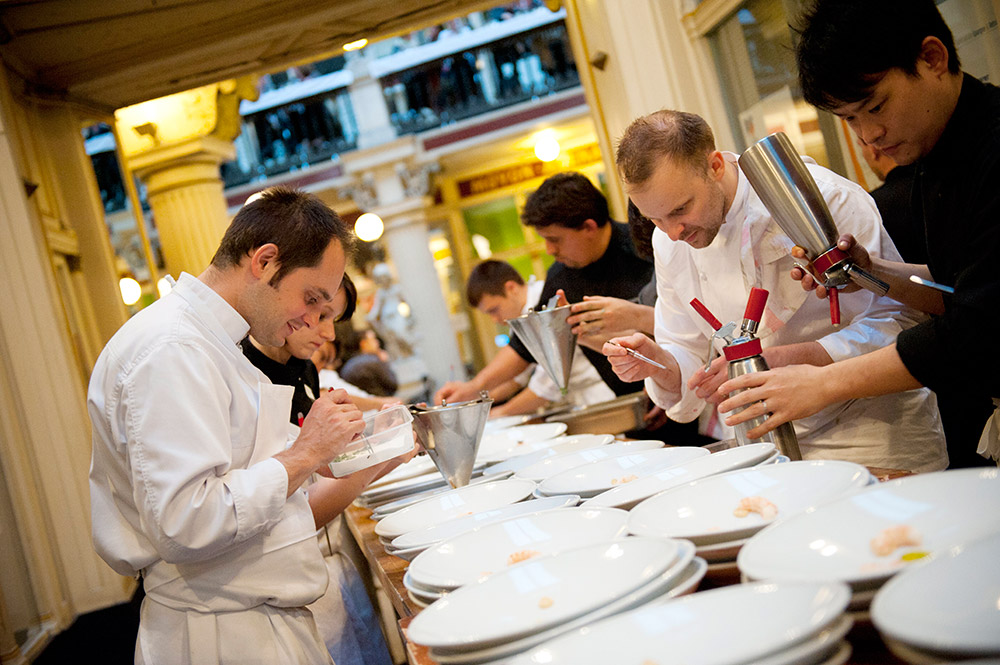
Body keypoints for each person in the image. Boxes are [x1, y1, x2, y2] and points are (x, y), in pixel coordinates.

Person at [89, 187, 379, 664]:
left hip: (251, 615)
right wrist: (305, 453)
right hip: (220, 632)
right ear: (264, 262)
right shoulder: (172, 348)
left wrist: (332, 453)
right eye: (311, 299)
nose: (314, 322)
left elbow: (257, 471)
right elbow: (186, 521)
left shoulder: (217, 342)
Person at [718, 0, 1000, 466]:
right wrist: (869, 273)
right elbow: (953, 288)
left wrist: (824, 381)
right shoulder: (934, 160)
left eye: (875, 106)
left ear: (933, 58)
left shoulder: (992, 147)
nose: (868, 136)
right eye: (849, 119)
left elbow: (978, 329)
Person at [604, 109, 947, 472]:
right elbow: (687, 348)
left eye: (681, 209)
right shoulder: (668, 241)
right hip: (761, 444)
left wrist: (799, 356)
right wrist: (661, 365)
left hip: (873, 430)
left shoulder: (823, 197)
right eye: (655, 219)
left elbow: (903, 317)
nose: (673, 232)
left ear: (716, 165)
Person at [435, 172, 699, 443]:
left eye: (555, 239)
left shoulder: (647, 247)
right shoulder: (560, 276)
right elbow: (527, 346)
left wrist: (663, 381)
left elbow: (688, 325)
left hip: (693, 391)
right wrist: (473, 387)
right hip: (634, 409)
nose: (548, 249)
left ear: (588, 227)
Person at [241, 272, 404, 665]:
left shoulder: (304, 370)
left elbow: (330, 467)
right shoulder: (245, 377)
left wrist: (381, 447)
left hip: (330, 558)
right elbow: (288, 510)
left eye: (335, 318)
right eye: (321, 312)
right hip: (282, 581)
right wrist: (380, 458)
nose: (328, 334)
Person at [464, 259, 614, 416]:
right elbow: (517, 378)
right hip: (574, 401)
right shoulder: (520, 320)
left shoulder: (544, 306)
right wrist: (475, 400)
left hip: (597, 399)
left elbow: (546, 386)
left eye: (494, 310)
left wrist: (497, 413)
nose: (494, 319)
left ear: (511, 288)